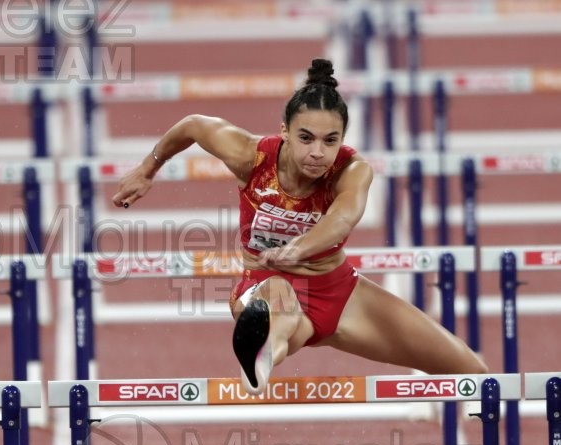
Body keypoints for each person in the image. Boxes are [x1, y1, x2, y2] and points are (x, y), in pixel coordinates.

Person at [112, 58, 487, 394]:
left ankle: (498, 434)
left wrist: (300, 248)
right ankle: (262, 356)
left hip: (339, 290)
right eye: (305, 138)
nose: (317, 153)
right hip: (266, 286)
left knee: (473, 371)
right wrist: (147, 169)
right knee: (284, 305)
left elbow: (343, 219)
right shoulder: (251, 156)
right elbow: (193, 126)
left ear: (342, 140)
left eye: (330, 141)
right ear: (285, 132)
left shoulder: (351, 171)